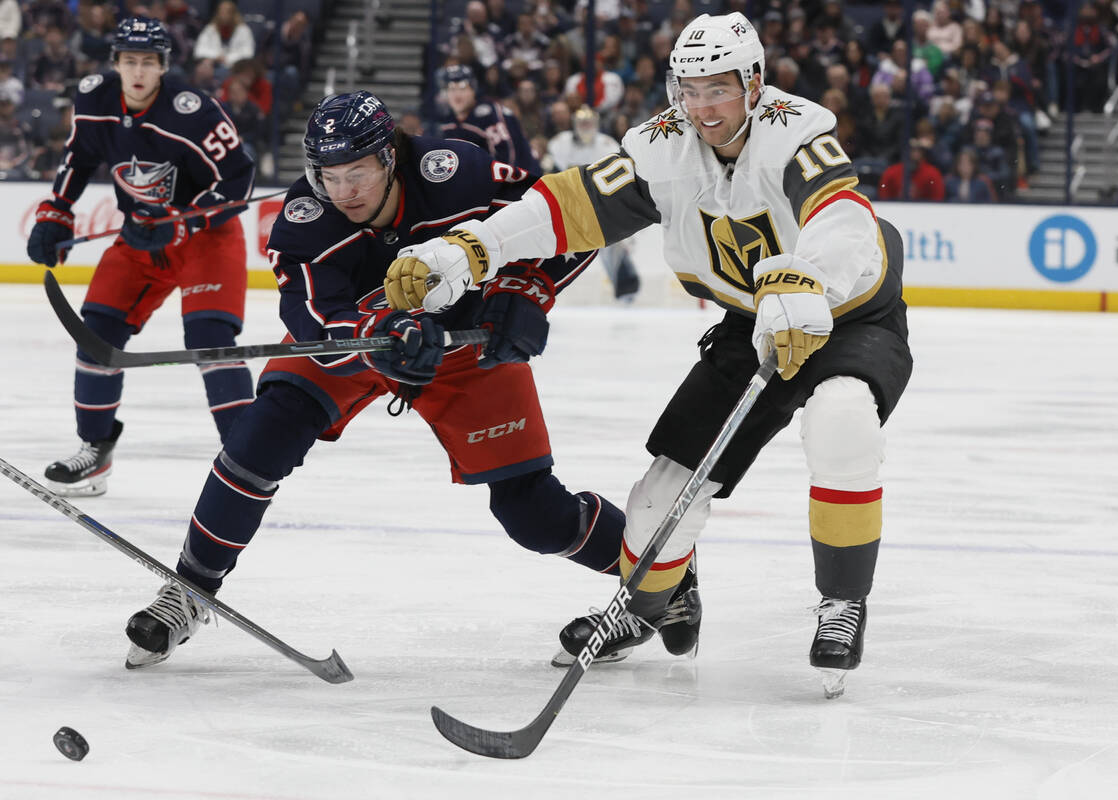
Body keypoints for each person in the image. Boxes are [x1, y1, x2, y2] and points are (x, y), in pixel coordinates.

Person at [386, 12, 913, 698]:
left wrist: (805, 277)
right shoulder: (664, 145)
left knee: (843, 419)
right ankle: (642, 608)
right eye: (688, 89)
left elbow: (840, 215)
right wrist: (472, 249)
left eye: (718, 89)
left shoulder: (797, 128)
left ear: (754, 84)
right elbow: (565, 204)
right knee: (663, 494)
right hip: (753, 316)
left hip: (848, 311)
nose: (701, 107)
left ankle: (843, 602)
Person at [122, 91, 629, 670]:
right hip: (363, 339)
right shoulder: (305, 218)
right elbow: (312, 318)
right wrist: (380, 332)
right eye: (327, 175)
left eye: (357, 172)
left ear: (389, 157)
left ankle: (656, 580)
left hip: (464, 346)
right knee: (260, 437)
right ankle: (188, 589)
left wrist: (525, 292)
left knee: (534, 515)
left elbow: (564, 217)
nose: (343, 192)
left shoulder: (457, 173)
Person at [26, 17, 256, 498]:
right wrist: (55, 213)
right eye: (129, 61)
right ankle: (94, 451)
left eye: (147, 62)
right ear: (114, 64)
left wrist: (183, 221)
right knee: (95, 336)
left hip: (204, 237)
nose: (137, 71)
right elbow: (78, 159)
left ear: (163, 67)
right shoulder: (93, 99)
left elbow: (238, 180)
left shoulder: (194, 112)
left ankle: (248, 458)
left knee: (210, 340)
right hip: (141, 237)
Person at [546, 106, 639, 302]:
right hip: (569, 204)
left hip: (601, 204)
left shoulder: (607, 144)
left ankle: (626, 286)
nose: (586, 127)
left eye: (589, 123)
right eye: (582, 123)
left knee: (614, 245)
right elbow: (550, 172)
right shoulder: (561, 143)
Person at [435, 63, 540, 176]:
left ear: (473, 90)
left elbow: (508, 157)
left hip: (522, 180)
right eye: (451, 89)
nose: (457, 95)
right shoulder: (446, 120)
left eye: (462, 88)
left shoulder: (490, 113)